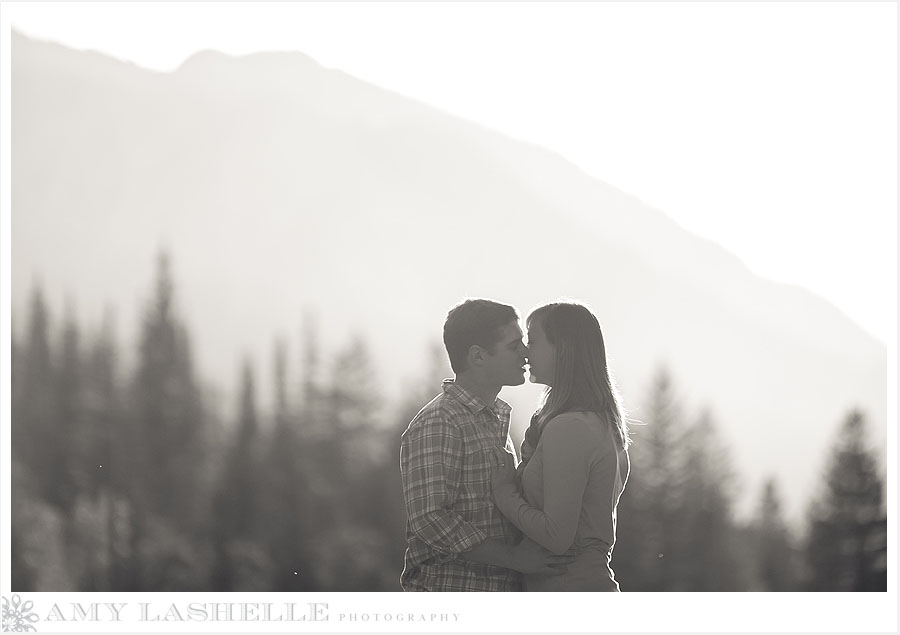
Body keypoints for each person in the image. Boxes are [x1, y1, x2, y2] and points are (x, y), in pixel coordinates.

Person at [400, 298, 576, 591]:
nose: (525, 352)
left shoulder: (492, 419)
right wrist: (514, 557)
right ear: (478, 356)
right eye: (513, 345)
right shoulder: (440, 421)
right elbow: (430, 518)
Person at [490, 301, 631, 591]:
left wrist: (505, 494)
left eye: (533, 341)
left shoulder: (571, 427)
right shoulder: (599, 423)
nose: (526, 352)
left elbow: (556, 535)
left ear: (563, 349)